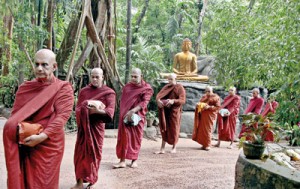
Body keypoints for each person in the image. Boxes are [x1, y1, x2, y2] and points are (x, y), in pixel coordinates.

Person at [3, 49, 74, 189]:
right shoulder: (25, 88)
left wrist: (42, 136)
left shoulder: (63, 88)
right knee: (25, 180)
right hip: (26, 140)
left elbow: (62, 117)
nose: (39, 68)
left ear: (54, 66)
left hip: (49, 143)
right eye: (36, 64)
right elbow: (16, 116)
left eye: (44, 64)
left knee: (44, 182)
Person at [71, 68, 116, 189]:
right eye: (93, 77)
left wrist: (97, 110)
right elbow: (78, 109)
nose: (95, 79)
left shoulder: (109, 93)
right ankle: (79, 183)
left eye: (98, 77)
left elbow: (110, 112)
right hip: (84, 129)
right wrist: (87, 105)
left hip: (97, 128)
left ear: (103, 77)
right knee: (80, 155)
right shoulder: (84, 91)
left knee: (94, 155)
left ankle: (92, 181)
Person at [114, 68, 153, 168]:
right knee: (123, 138)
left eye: (135, 76)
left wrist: (133, 111)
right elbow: (123, 102)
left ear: (141, 76)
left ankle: (134, 160)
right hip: (125, 116)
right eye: (132, 76)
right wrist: (125, 113)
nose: (133, 78)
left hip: (137, 117)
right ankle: (122, 161)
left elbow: (144, 102)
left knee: (136, 138)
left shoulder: (146, 88)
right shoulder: (127, 87)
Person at [154, 73, 186, 154]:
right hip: (165, 111)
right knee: (164, 128)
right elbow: (159, 96)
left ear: (176, 79)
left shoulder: (179, 87)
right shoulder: (166, 87)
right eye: (168, 79)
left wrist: (173, 101)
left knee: (174, 129)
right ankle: (162, 148)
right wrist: (158, 101)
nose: (169, 81)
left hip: (174, 111)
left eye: (171, 79)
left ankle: (174, 147)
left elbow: (182, 100)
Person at [192, 86, 221, 151]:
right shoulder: (204, 96)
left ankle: (208, 144)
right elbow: (201, 103)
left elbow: (218, 107)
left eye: (209, 91)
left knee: (207, 129)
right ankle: (204, 144)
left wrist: (209, 107)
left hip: (209, 115)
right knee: (202, 129)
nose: (207, 93)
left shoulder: (216, 97)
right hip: (203, 114)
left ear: (212, 91)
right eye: (206, 91)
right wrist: (198, 104)